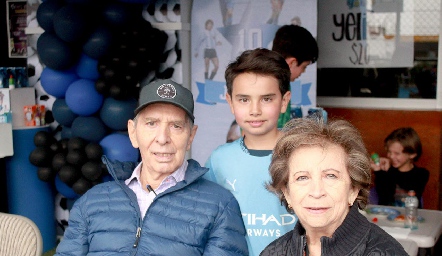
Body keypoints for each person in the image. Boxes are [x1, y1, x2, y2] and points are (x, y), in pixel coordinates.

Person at [55, 79, 248, 256]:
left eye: (176, 126)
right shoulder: (92, 202)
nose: (163, 138)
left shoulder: (220, 206)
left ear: (190, 136)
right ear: (133, 132)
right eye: (151, 124)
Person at [261, 118, 408, 256]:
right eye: (302, 177)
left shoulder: (386, 252)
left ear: (353, 189)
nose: (316, 192)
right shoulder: (273, 252)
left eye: (331, 176)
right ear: (287, 194)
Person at [204, 48, 293, 255]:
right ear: (230, 102)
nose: (255, 110)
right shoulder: (219, 160)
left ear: (284, 101)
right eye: (244, 99)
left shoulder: (304, 156)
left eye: (267, 99)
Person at [272, 24, 318, 128]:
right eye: (304, 67)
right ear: (292, 63)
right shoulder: (266, 85)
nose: (303, 72)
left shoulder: (284, 83)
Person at [371, 127, 429, 208]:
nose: (391, 156)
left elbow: (407, 185)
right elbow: (384, 197)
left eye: (397, 153)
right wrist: (379, 171)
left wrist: (387, 172)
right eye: (389, 151)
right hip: (387, 218)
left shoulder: (421, 174)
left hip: (410, 218)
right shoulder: (386, 173)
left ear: (412, 154)